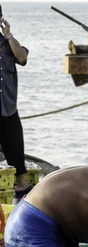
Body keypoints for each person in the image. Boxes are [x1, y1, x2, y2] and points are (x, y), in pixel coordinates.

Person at [0, 10, 31, 197]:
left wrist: (9, 35)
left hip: (8, 107)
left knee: (16, 148)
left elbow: (22, 58)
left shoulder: (9, 44)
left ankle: (22, 186)